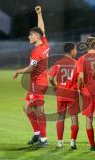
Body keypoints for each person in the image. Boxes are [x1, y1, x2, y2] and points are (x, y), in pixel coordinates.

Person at [12, 5, 49, 147]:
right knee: (27, 108)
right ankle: (37, 134)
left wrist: (17, 71)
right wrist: (39, 14)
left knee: (39, 110)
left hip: (38, 84)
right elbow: (42, 29)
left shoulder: (36, 52)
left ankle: (44, 139)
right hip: (39, 82)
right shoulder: (44, 44)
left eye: (30, 35)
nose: (29, 36)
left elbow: (31, 68)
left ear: (36, 37)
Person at [77, 37, 95, 153]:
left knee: (88, 118)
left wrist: (79, 89)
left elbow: (80, 77)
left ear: (86, 45)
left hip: (87, 91)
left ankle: (92, 145)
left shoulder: (82, 59)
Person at [49, 42, 79, 149]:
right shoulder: (76, 63)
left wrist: (55, 87)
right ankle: (72, 142)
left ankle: (60, 142)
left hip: (61, 93)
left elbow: (51, 78)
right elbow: (80, 78)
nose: (76, 51)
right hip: (72, 93)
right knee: (74, 117)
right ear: (71, 51)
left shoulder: (58, 63)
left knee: (60, 117)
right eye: (75, 49)